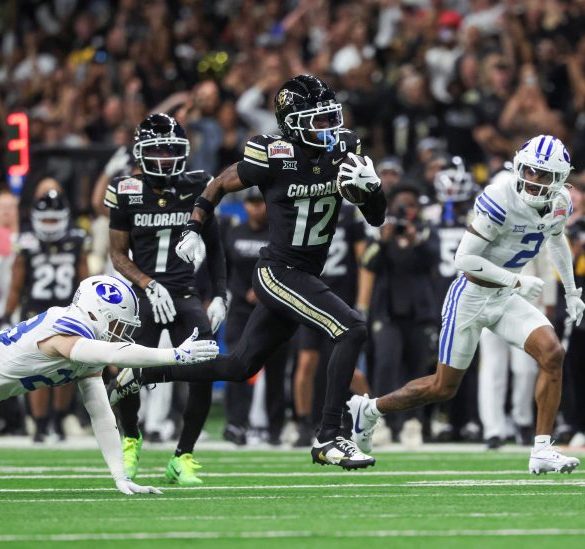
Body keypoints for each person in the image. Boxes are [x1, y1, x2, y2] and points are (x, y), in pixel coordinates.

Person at [113, 75, 386, 469]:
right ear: (293, 124)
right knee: (352, 328)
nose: (330, 128)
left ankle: (144, 373)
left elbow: (376, 218)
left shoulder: (345, 149)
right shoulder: (274, 153)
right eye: (319, 120)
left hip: (305, 273)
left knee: (240, 366)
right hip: (278, 271)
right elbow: (219, 184)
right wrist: (193, 226)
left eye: (332, 118)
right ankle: (329, 436)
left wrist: (372, 190)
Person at [348, 135, 585, 474]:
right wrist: (516, 281)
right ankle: (370, 409)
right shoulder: (500, 196)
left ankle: (542, 449)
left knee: (552, 354)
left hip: (505, 297)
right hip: (471, 295)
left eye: (543, 174)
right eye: (529, 171)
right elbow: (464, 260)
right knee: (442, 387)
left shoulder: (559, 201)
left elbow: (557, 238)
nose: (533, 179)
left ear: (559, 178)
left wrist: (572, 292)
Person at [0, 275, 218, 495]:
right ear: (98, 313)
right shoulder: (67, 329)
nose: (121, 334)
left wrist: (120, 477)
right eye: (119, 324)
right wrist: (175, 355)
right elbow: (113, 353)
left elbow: (102, 415)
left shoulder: (88, 349)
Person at [104, 113, 227, 486]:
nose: (164, 158)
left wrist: (220, 295)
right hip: (143, 296)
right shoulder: (125, 189)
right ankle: (130, 438)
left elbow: (215, 247)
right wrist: (148, 283)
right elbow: (117, 254)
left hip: (185, 293)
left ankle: (183, 456)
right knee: (126, 373)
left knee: (204, 368)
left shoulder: (199, 185)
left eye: (170, 150)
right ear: (140, 152)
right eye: (156, 150)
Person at [2, 190, 89, 442]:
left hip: (67, 311)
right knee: (35, 368)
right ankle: (40, 424)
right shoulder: (27, 242)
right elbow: (17, 283)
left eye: (54, 219)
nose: (50, 224)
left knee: (67, 370)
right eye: (46, 219)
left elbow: (84, 280)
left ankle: (59, 420)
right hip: (35, 313)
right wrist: (8, 313)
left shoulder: (77, 239)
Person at [221, 188, 288, 446]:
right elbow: (225, 270)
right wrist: (238, 293)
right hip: (240, 309)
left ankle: (274, 427)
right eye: (251, 202)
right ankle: (236, 423)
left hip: (275, 309)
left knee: (275, 369)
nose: (255, 207)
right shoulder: (234, 232)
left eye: (259, 202)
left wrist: (264, 290)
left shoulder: (279, 233)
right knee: (236, 364)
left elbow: (288, 268)